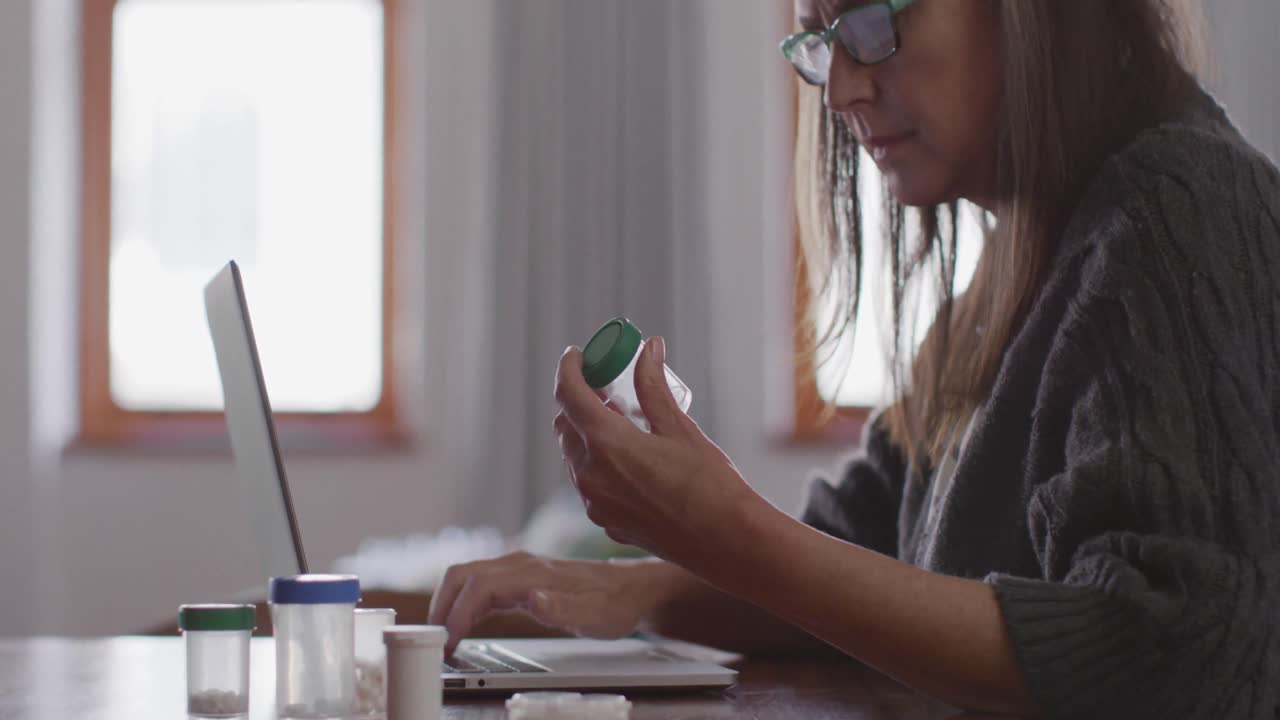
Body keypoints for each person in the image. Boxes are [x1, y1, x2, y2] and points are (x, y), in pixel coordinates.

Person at [428, 1, 1280, 717]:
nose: (839, 88)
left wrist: (733, 534)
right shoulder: (1008, 272)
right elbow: (863, 563)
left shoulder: (1179, 211)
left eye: (872, 24)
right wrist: (643, 588)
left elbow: (1171, 648)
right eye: (820, 41)